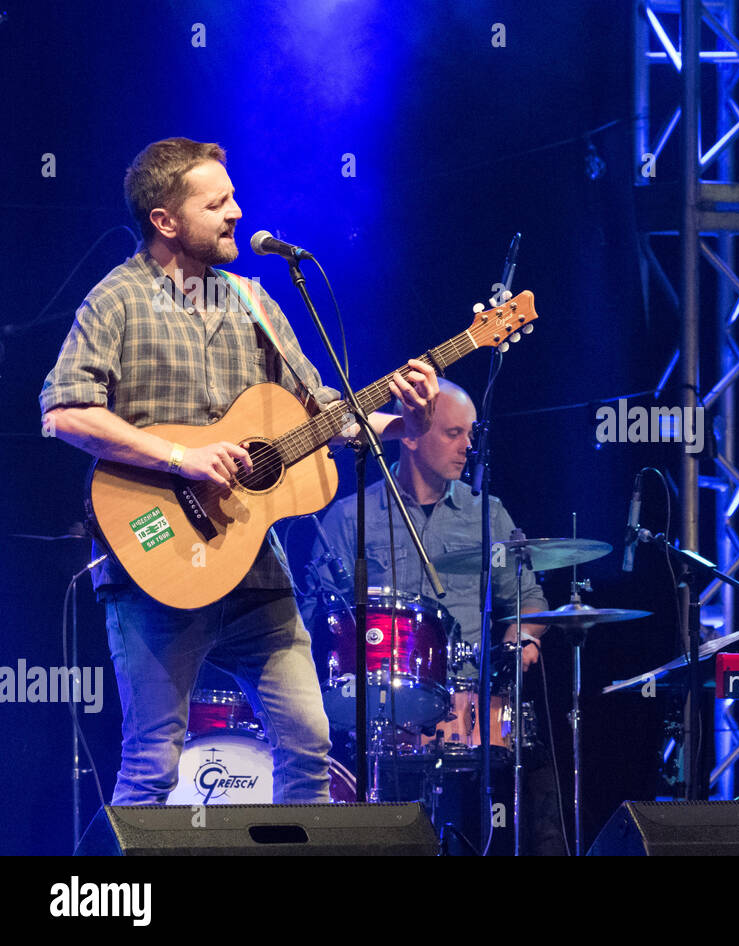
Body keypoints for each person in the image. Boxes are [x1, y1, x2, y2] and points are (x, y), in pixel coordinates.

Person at [39, 137, 438, 805]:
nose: (237, 211)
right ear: (165, 220)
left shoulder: (255, 303)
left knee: (309, 742)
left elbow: (325, 414)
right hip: (154, 566)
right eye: (216, 202)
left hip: (255, 571)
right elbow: (65, 413)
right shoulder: (117, 301)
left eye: (233, 197)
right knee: (152, 766)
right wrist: (181, 456)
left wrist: (407, 424)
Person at [303, 378, 563, 854]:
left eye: (470, 433)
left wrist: (523, 641)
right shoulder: (349, 517)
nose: (468, 447)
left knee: (537, 776)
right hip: (375, 713)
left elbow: (528, 599)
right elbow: (315, 619)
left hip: (468, 708)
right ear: (410, 433)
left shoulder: (488, 514)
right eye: (453, 433)